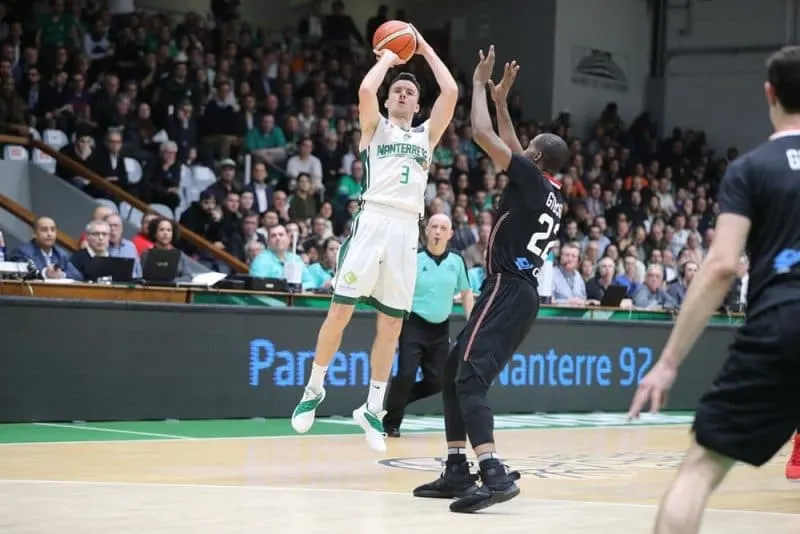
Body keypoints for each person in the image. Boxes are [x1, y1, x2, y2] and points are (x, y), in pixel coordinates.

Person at [627, 45, 800, 534]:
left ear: (769, 93)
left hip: (777, 324)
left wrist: (668, 362)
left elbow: (723, 264)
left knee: (700, 468)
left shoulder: (750, 169)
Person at [413, 47, 568, 513]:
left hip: (507, 287)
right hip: (515, 291)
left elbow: (481, 134)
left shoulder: (530, 179)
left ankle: (493, 472)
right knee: (453, 367)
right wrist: (503, 102)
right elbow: (516, 148)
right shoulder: (545, 188)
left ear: (535, 157)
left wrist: (479, 85)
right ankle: (458, 467)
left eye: (527, 151)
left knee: (471, 379)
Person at [289, 26, 459, 453]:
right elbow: (366, 88)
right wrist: (389, 56)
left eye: (409, 92)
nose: (402, 95)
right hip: (373, 221)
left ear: (419, 104)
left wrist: (423, 49)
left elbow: (452, 91)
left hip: (406, 231)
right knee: (340, 313)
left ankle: (372, 408)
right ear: (388, 100)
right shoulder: (375, 128)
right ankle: (314, 388)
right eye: (397, 91)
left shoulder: (426, 136)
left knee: (390, 327)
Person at [383, 213, 475, 437]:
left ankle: (397, 400)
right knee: (405, 374)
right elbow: (398, 293)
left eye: (443, 228)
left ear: (450, 234)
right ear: (426, 231)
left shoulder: (456, 260)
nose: (437, 232)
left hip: (440, 328)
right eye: (434, 227)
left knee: (440, 381)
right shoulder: (414, 258)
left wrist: (472, 324)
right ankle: (391, 423)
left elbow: (466, 292)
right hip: (413, 323)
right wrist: (393, 329)